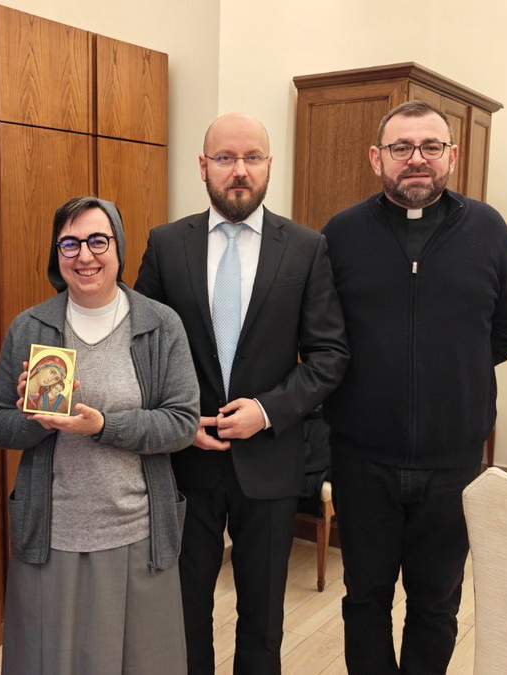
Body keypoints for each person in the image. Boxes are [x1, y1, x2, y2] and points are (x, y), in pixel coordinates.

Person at [135, 113, 349, 673]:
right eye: (225, 158)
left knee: (263, 618)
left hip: (270, 462)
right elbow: (139, 347)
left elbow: (329, 355)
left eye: (252, 158)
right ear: (203, 166)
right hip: (186, 463)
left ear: (269, 165)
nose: (239, 171)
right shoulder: (166, 244)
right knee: (184, 613)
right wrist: (178, 421)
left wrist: (266, 410)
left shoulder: (305, 248)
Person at [320, 100, 507, 674]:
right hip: (362, 457)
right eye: (401, 147)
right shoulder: (341, 234)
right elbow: (320, 335)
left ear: (451, 156)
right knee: (365, 598)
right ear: (376, 158)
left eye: (431, 147)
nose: (417, 159)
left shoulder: (487, 229)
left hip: (452, 459)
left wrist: (452, 372)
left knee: (436, 603)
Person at [0, 196, 199, 674]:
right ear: (56, 253)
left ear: (118, 248)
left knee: (141, 664)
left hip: (137, 531)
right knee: (50, 662)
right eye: (70, 243)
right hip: (52, 533)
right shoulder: (31, 326)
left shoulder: (160, 325)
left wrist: (104, 426)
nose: (85, 255)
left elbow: (182, 423)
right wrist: (34, 417)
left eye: (98, 241)